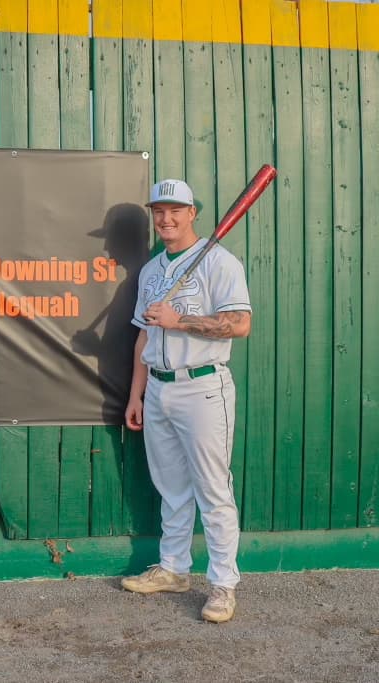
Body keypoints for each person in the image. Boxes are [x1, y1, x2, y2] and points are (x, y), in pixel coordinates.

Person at [121, 179, 252, 624]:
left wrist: (179, 321)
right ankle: (174, 569)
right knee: (171, 488)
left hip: (202, 387)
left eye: (175, 210)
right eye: (159, 211)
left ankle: (222, 585)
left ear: (192, 212)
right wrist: (137, 393)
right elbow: (144, 332)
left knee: (213, 489)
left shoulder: (220, 262)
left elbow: (239, 324)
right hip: (158, 387)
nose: (166, 219)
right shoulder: (152, 270)